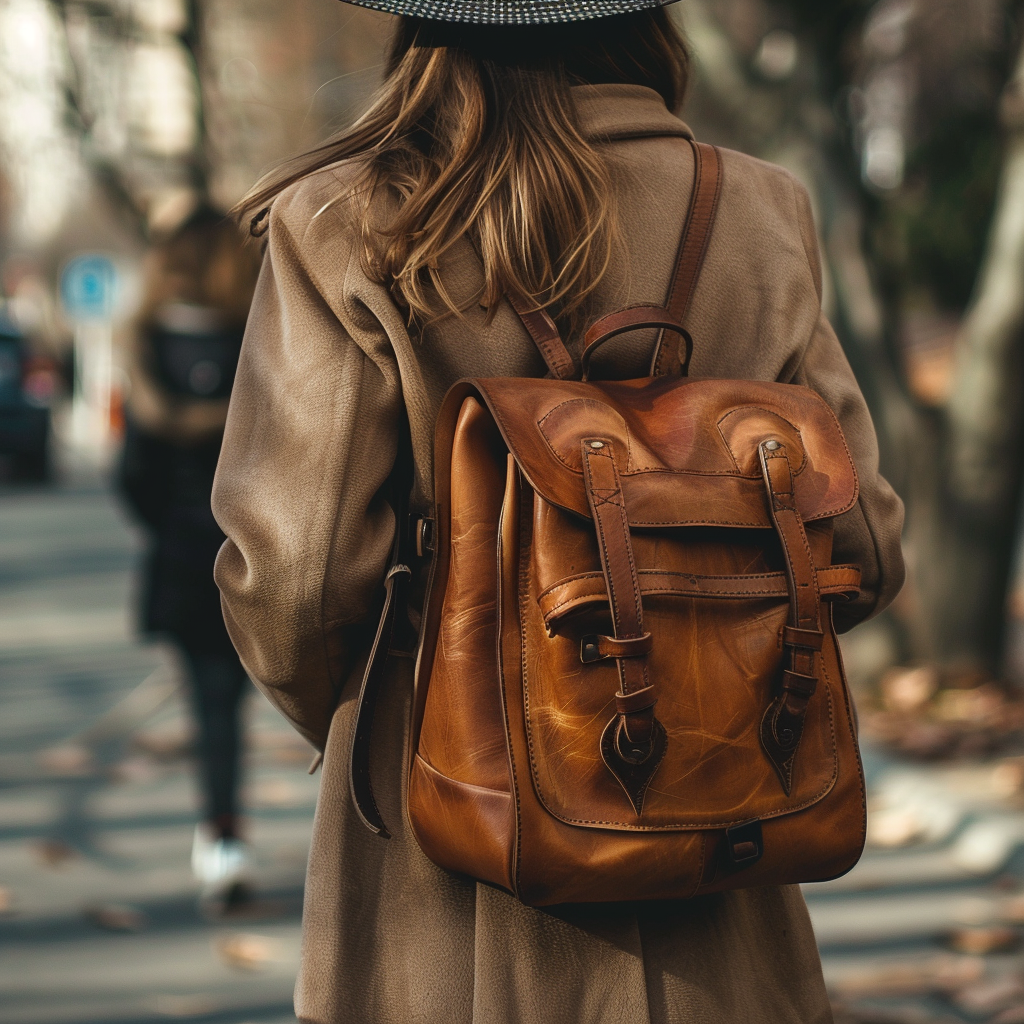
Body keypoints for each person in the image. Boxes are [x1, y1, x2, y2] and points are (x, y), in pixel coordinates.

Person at [213, 4, 905, 1021]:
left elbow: (296, 582)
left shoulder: (350, 219)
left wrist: (409, 710)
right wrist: (707, 648)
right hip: (719, 831)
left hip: (447, 855)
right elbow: (863, 543)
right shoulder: (759, 206)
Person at [118, 206, 261, 911]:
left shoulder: (143, 348)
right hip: (262, 553)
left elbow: (131, 476)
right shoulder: (260, 342)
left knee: (212, 710)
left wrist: (172, 530)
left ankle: (222, 841)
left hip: (182, 561)